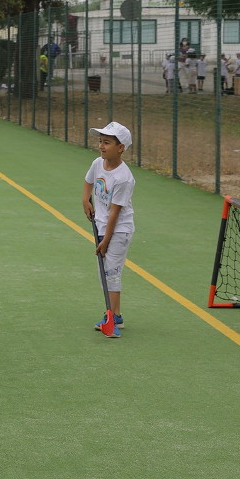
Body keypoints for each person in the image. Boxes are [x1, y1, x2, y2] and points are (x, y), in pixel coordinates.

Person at [82, 122, 135, 337]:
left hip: (119, 230)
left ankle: (111, 317)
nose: (101, 146)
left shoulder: (124, 178)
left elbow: (115, 212)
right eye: (100, 142)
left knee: (111, 272)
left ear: (120, 147)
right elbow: (88, 182)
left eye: (107, 143)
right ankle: (117, 315)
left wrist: (106, 239)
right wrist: (85, 200)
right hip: (101, 225)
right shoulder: (98, 163)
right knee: (105, 272)